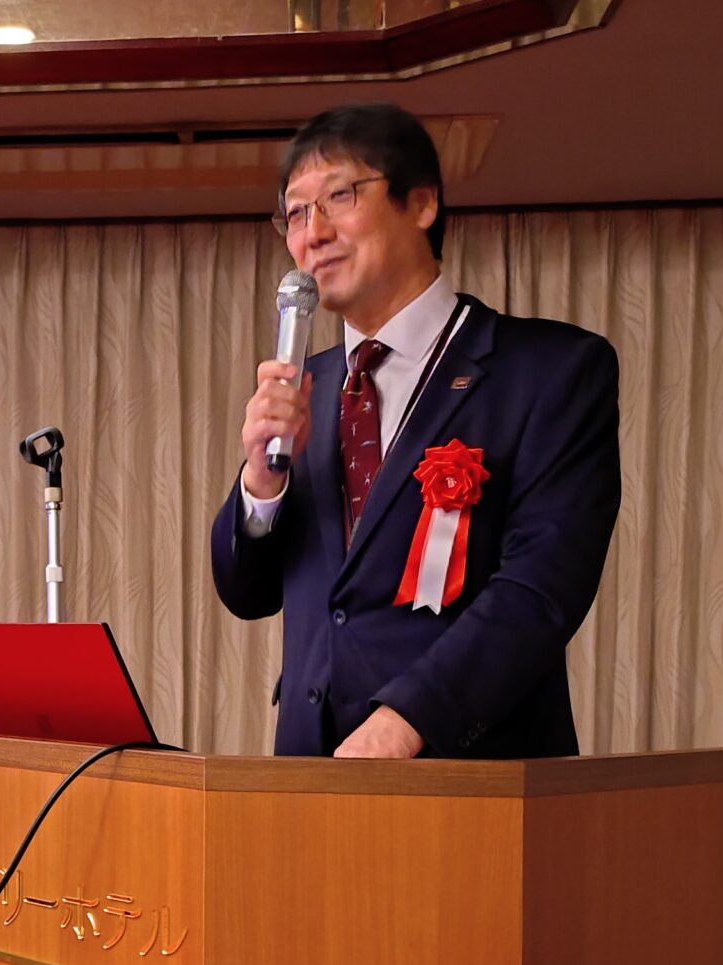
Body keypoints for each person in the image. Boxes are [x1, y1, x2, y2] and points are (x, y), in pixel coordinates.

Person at [210, 104, 620, 759]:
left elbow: (542, 586)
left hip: (471, 776)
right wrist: (261, 481)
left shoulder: (550, 371)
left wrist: (408, 720)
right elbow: (247, 593)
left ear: (423, 203)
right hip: (309, 778)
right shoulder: (305, 387)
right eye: (295, 212)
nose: (313, 233)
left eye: (339, 197)